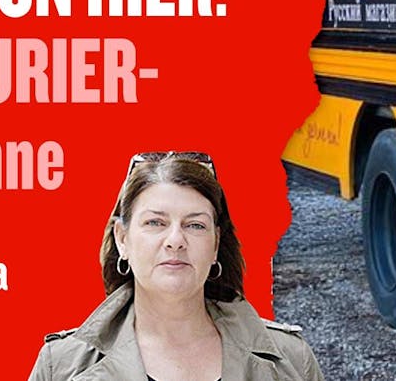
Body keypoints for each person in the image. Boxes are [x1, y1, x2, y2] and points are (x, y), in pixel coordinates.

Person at [30, 152, 322, 380]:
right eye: (155, 222)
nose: (175, 240)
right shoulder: (62, 367)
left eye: (194, 225)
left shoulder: (291, 361)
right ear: (122, 239)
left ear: (216, 244)